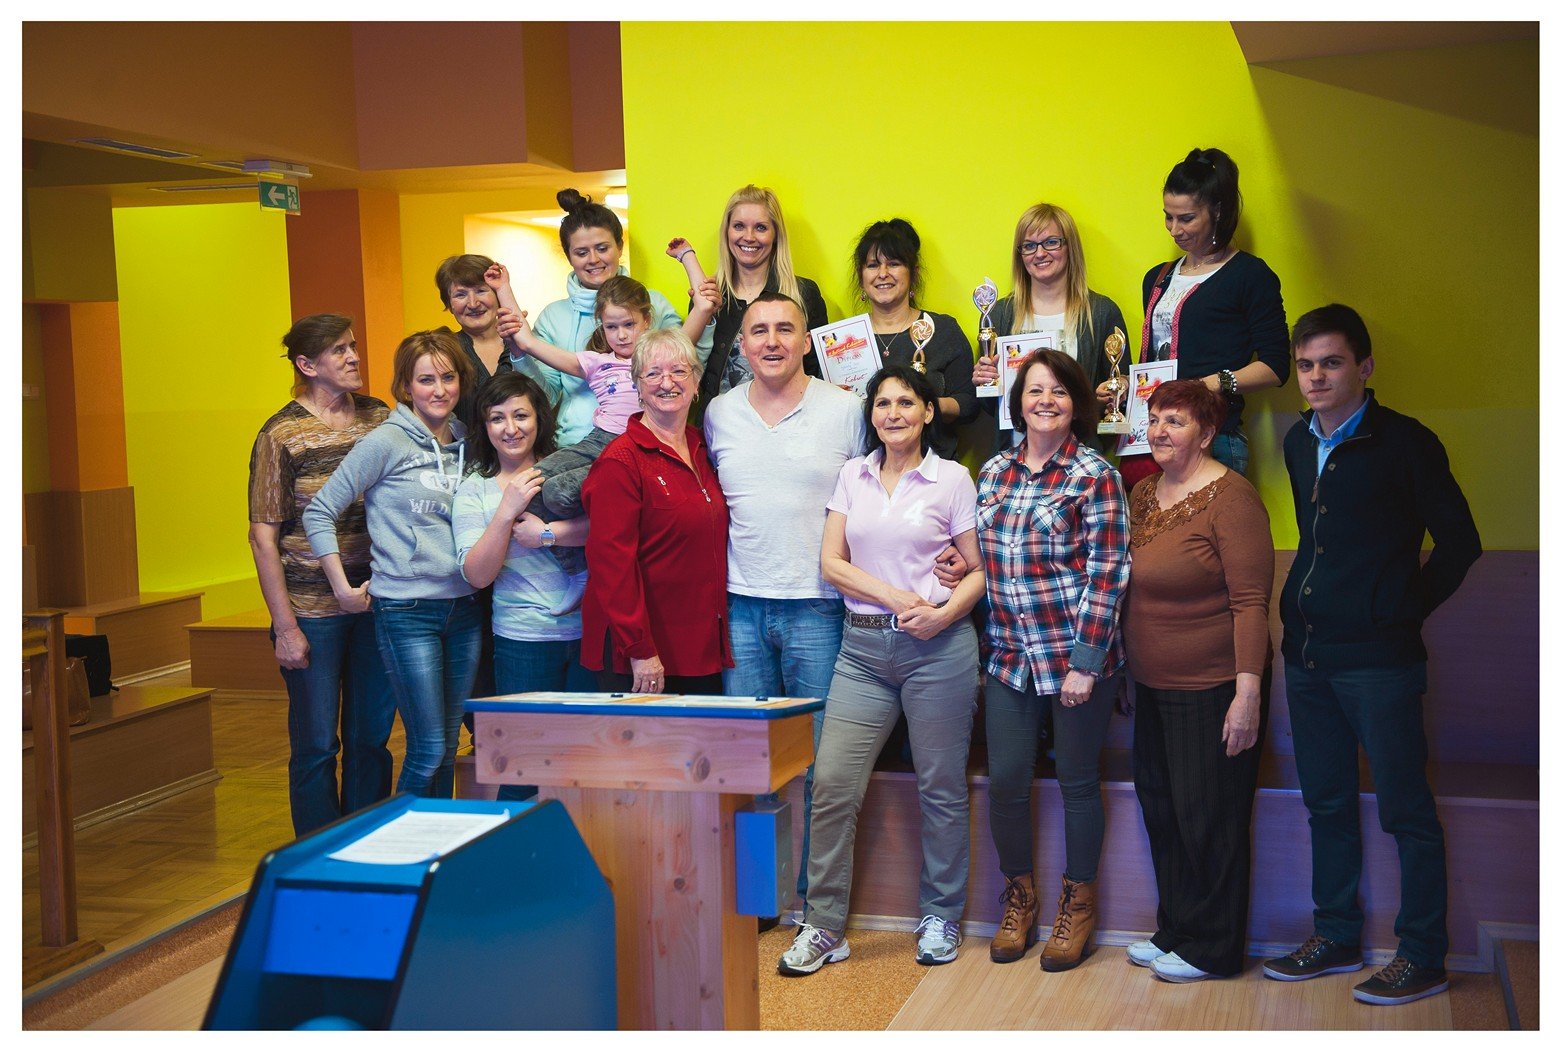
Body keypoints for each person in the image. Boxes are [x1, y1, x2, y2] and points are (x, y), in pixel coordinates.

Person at [1263, 305, 1481, 1006]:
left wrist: (1400, 608)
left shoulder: (1407, 442)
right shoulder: (1297, 441)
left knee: (1404, 810)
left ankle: (1422, 954)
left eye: (1331, 362)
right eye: (1305, 365)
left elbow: (1460, 543)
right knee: (1325, 803)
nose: (1316, 377)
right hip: (1307, 655)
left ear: (1364, 367)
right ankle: (1335, 936)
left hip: (1380, 662)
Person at [779, 365, 984, 975]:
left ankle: (941, 916)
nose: (893, 413)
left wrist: (941, 616)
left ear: (928, 412)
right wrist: (896, 598)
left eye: (906, 402)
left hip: (938, 652)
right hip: (862, 651)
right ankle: (823, 926)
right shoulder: (853, 475)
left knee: (940, 788)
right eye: (882, 404)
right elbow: (831, 563)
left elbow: (976, 572)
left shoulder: (952, 479)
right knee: (832, 784)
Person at [703, 291, 867, 910]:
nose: (772, 341)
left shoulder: (846, 410)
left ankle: (813, 903)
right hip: (740, 608)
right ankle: (758, 901)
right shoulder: (718, 412)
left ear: (805, 341)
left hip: (818, 606)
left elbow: (870, 498)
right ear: (742, 345)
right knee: (750, 764)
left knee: (823, 768)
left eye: (785, 329)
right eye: (759, 331)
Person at [978, 349, 1129, 970]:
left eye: (1059, 391)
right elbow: (982, 554)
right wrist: (957, 565)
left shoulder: (1096, 475)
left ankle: (1077, 905)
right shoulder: (993, 471)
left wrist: (1086, 663)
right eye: (1034, 390)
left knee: (1078, 782)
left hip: (1074, 658)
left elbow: (1108, 573)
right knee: (1006, 782)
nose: (1046, 400)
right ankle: (1019, 899)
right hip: (1010, 655)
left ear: (1077, 404)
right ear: (1018, 402)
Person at [1122, 379, 1274, 983]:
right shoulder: (1142, 492)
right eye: (1155, 418)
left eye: (1176, 421)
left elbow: (1251, 603)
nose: (1159, 431)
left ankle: (1214, 948)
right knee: (1164, 811)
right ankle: (1178, 929)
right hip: (1152, 684)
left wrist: (1247, 694)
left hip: (1213, 687)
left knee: (1209, 819)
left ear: (1207, 433)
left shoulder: (1232, 498)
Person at [303, 330, 481, 798]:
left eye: (447, 378)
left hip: (464, 609)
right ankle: (401, 841)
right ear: (405, 386)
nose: (439, 390)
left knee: (448, 747)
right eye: (426, 380)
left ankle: (435, 840)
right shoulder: (386, 441)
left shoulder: (467, 440)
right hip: (406, 611)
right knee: (427, 749)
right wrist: (342, 587)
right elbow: (319, 511)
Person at [247, 314, 395, 835]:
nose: (354, 356)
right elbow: (263, 537)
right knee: (316, 745)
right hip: (312, 613)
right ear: (308, 365)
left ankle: (366, 845)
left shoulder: (379, 417)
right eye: (339, 350)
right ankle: (319, 853)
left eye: (353, 346)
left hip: (376, 602)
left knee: (371, 739)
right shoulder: (280, 434)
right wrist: (286, 628)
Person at [494, 267, 719, 566]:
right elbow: (528, 342)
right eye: (612, 327)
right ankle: (573, 567)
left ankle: (581, 556)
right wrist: (503, 287)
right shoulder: (595, 363)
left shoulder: (662, 357)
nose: (621, 335)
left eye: (629, 324)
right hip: (596, 441)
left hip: (634, 446)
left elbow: (703, 306)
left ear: (647, 320)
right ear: (601, 326)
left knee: (558, 493)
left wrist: (685, 257)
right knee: (528, 485)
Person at [453, 371, 592, 801]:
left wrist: (547, 533)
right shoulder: (474, 489)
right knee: (523, 771)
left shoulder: (566, 468)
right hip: (522, 641)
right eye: (497, 418)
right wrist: (506, 510)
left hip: (589, 638)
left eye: (520, 415)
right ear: (484, 426)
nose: (510, 428)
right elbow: (477, 574)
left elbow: (606, 528)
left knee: (587, 769)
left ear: (539, 420)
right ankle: (521, 843)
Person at [1120, 147, 1290, 488]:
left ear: (1218, 211)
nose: (1174, 230)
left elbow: (1276, 366)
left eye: (1186, 218)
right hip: (1152, 437)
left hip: (1213, 437)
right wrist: (1128, 385)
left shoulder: (1249, 275)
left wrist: (1211, 383)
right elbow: (1157, 357)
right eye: (1168, 217)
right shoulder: (1157, 277)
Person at [579, 327, 731, 694]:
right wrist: (640, 649)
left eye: (679, 371)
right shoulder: (621, 461)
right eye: (653, 373)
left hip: (696, 646)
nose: (667, 383)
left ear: (696, 382)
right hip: (640, 653)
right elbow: (611, 565)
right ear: (637, 385)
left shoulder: (702, 447)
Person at [520, 188, 683, 448]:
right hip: (577, 444)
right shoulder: (552, 317)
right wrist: (520, 351)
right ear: (569, 257)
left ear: (619, 246)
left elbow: (688, 364)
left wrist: (705, 312)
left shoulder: (654, 304)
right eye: (581, 252)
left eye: (602, 248)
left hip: (647, 444)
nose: (594, 260)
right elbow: (545, 398)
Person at [972, 203, 1130, 454]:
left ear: (1070, 247)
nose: (1040, 253)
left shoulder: (1101, 312)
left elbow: (1119, 390)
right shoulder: (999, 314)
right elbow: (991, 409)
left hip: (1079, 457)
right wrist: (985, 383)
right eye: (1029, 246)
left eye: (1051, 242)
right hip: (1014, 456)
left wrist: (1112, 393)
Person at [850, 218, 977, 459]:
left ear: (913, 273)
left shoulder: (942, 330)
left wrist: (920, 404)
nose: (883, 274)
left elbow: (969, 405)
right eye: (873, 265)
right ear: (861, 276)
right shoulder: (844, 339)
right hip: (862, 469)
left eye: (894, 264)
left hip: (934, 468)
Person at [696, 184, 830, 412]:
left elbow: (819, 373)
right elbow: (688, 370)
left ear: (775, 235)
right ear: (727, 232)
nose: (749, 237)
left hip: (790, 425)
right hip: (720, 428)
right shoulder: (709, 297)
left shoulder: (803, 294)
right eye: (739, 226)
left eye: (760, 227)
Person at [433, 252, 513, 434]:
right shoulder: (443, 351)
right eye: (460, 295)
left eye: (481, 291)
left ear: (498, 294)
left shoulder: (524, 345)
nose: (473, 303)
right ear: (449, 305)